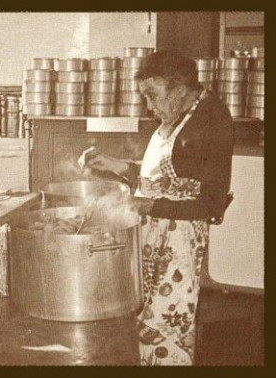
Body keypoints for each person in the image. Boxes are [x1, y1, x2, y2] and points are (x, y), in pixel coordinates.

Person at [78, 50, 234, 366]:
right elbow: (161, 175)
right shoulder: (178, 115)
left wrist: (143, 204)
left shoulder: (211, 121)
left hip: (178, 249)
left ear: (180, 88)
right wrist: (113, 165)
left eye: (153, 95)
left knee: (167, 327)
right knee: (149, 323)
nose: (149, 106)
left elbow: (210, 203)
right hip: (154, 240)